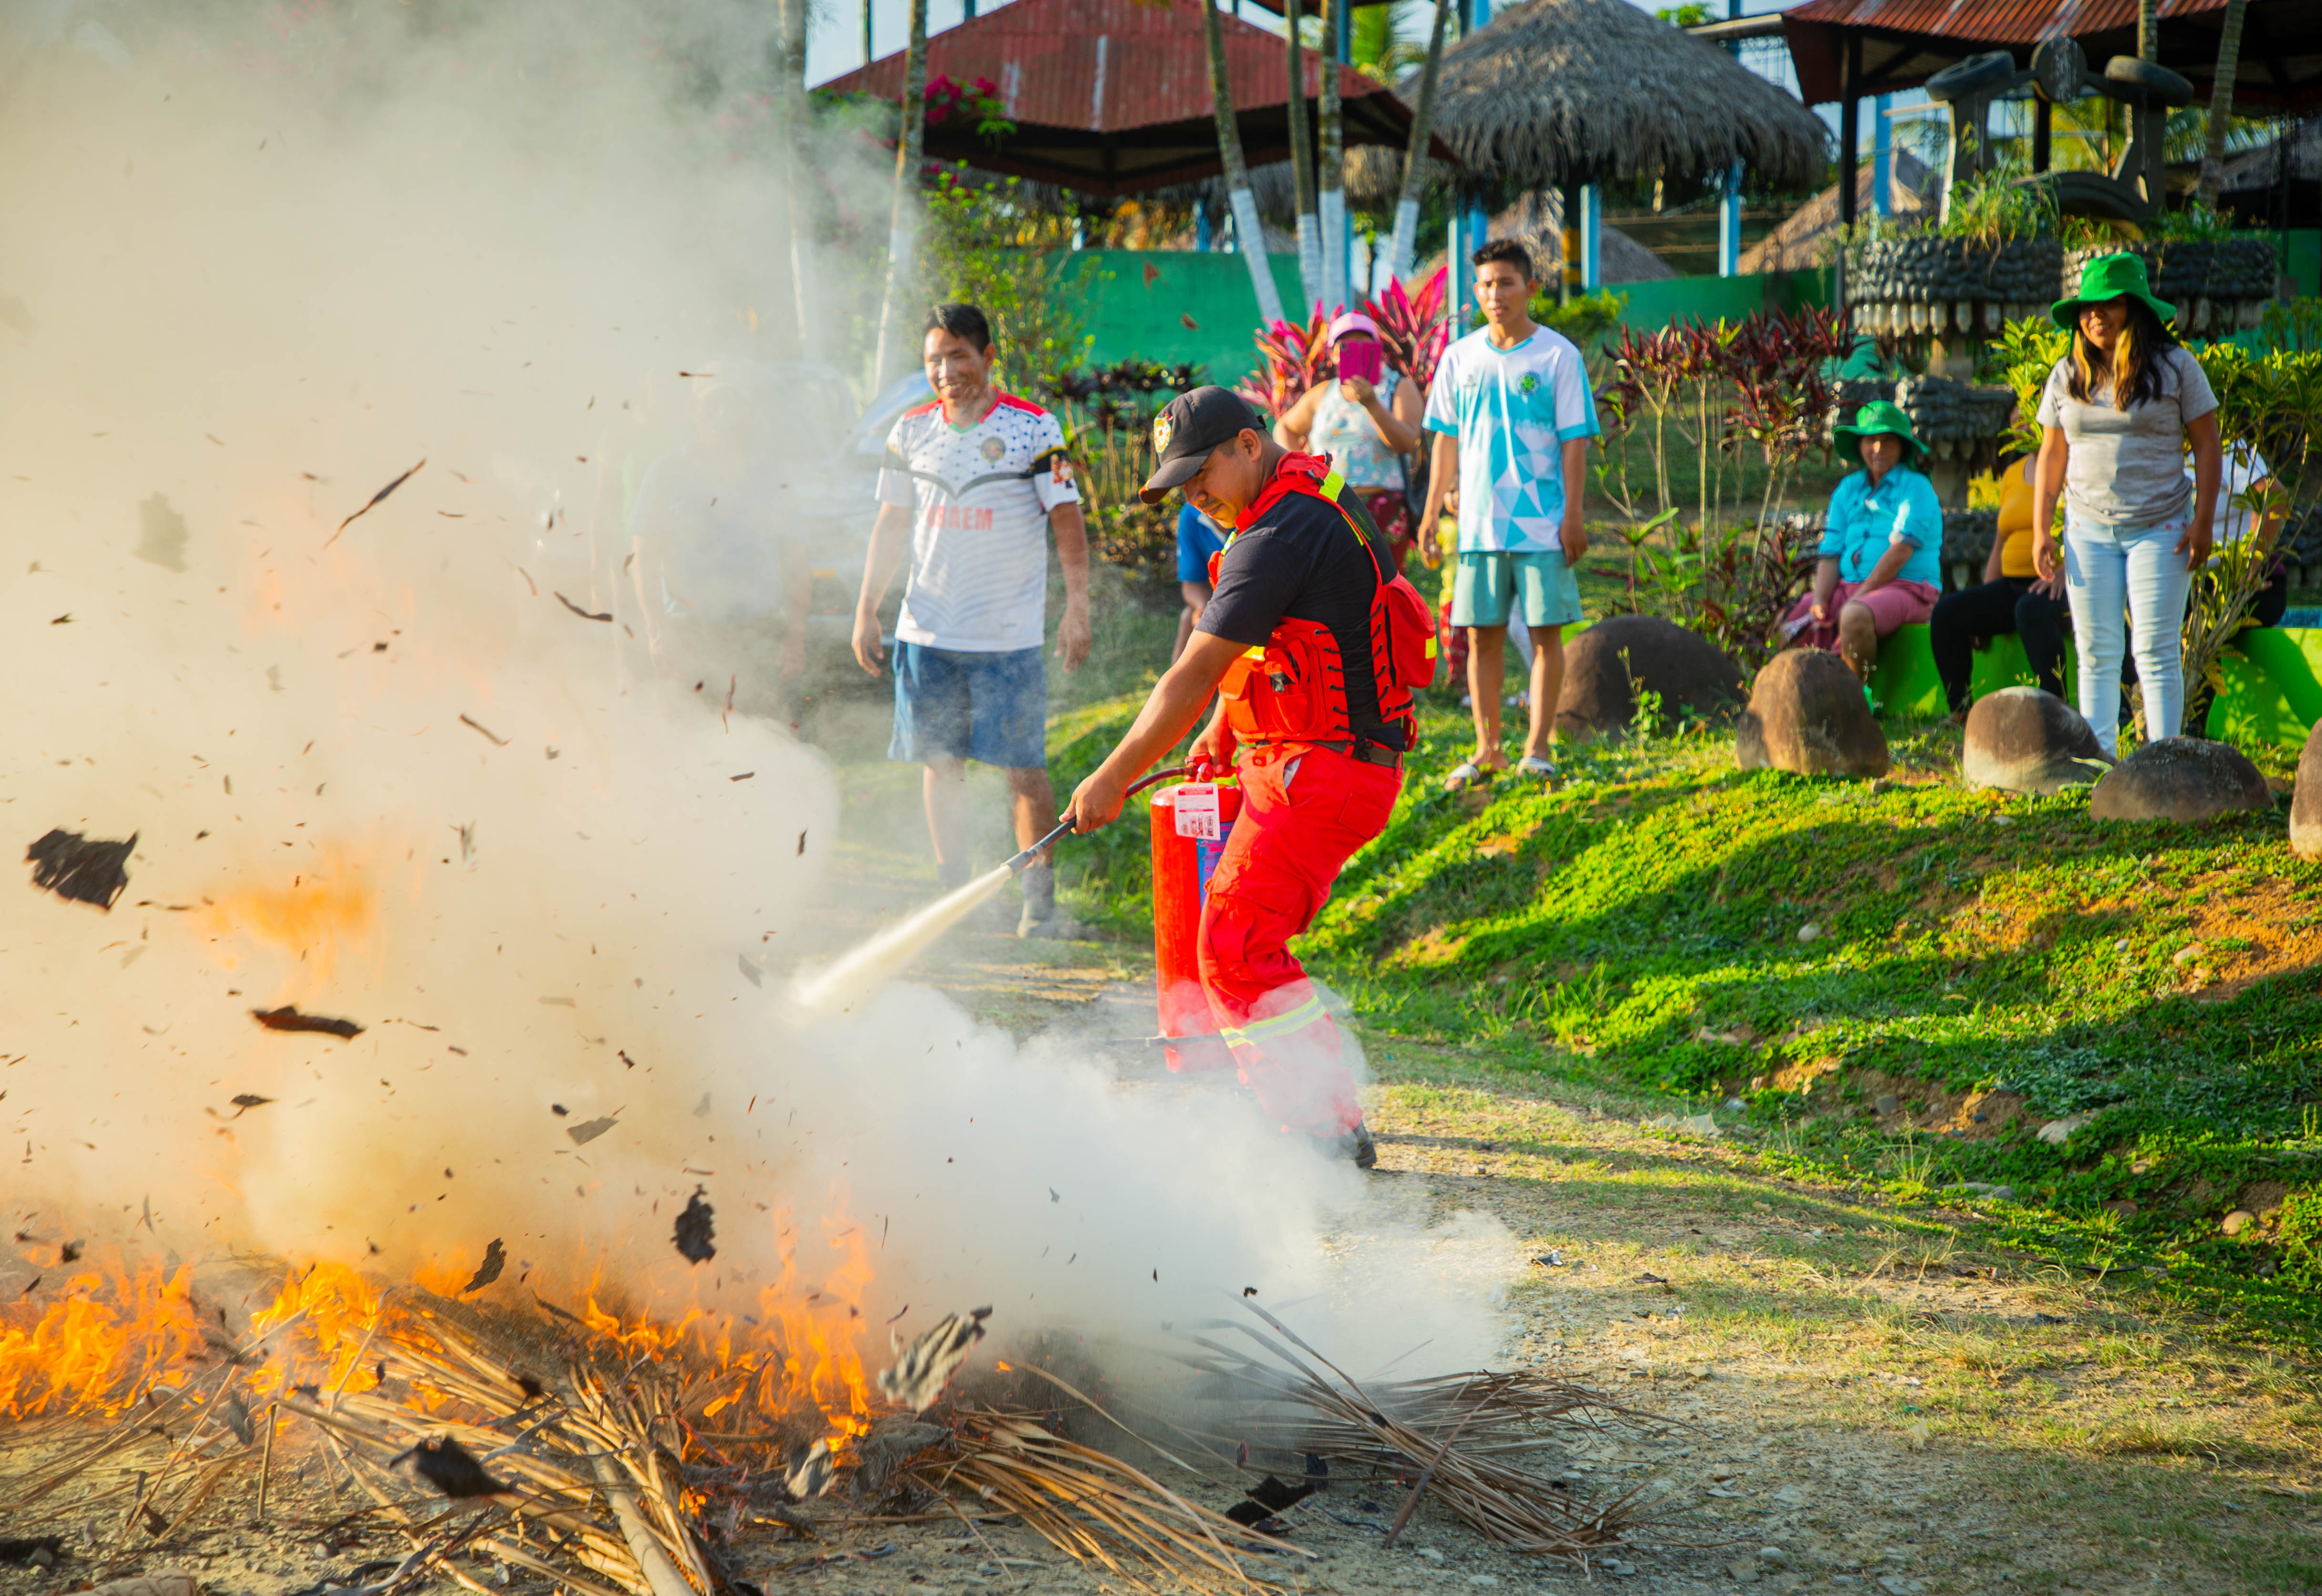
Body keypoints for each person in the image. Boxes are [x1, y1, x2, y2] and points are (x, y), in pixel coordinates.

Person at [1060, 387, 1435, 1168]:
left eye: (1201, 474)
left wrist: (1107, 776)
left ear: (1248, 443)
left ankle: (1320, 1131)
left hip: (1325, 771)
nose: (1193, 496)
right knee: (1241, 940)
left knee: (1232, 942)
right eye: (1180, 486)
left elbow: (1193, 671)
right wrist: (1223, 728)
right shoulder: (1290, 509)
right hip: (1303, 759)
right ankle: (1322, 1118)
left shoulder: (1278, 531)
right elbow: (1285, 646)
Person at [852, 303, 1093, 937]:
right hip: (925, 631)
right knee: (941, 767)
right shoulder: (907, 432)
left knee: (1024, 769)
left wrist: (1077, 605)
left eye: (958, 356)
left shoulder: (1036, 430)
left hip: (1006, 639)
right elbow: (890, 524)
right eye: (934, 358)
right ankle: (950, 899)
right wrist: (866, 606)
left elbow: (1066, 519)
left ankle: (1038, 904)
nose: (945, 370)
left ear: (988, 357)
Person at [1418, 239, 1598, 791]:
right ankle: (1488, 749)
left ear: (1530, 289)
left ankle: (1537, 749)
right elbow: (1444, 441)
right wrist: (1431, 514)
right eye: (1485, 285)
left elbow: (1574, 442)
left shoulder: (1557, 357)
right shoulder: (1459, 357)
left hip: (1543, 523)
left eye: (1505, 283)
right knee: (1481, 638)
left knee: (1546, 635)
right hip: (1475, 525)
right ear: (1475, 292)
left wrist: (1572, 516)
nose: (1494, 294)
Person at [2031, 253, 2222, 756]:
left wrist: (2202, 523)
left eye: (2109, 304)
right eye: (2087, 306)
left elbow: (2206, 443)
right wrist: (2040, 529)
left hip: (2160, 527)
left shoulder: (2175, 367)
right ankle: (2100, 764)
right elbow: (2052, 453)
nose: (2096, 315)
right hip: (2086, 530)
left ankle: (2165, 765)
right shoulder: (2065, 374)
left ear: (2134, 308)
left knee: (2154, 651)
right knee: (2095, 652)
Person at [627, 364, 814, 708]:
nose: (722, 413)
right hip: (689, 635)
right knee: (694, 748)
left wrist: (795, 635)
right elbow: (644, 559)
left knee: (766, 743)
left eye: (733, 403)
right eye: (713, 403)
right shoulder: (666, 473)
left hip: (760, 634)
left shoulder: (773, 476)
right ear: (695, 411)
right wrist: (658, 631)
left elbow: (796, 562)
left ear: (749, 413)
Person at [1781, 401, 1943, 683]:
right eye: (1871, 440)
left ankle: (1855, 702)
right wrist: (1820, 600)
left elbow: (1901, 550)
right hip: (1850, 588)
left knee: (1855, 615)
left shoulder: (1916, 487)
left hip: (1908, 589)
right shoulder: (1848, 489)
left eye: (1888, 441)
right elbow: (1831, 553)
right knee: (1791, 618)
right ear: (1860, 445)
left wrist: (1860, 595)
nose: (1878, 449)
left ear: (1903, 447)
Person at [1271, 311, 1425, 570]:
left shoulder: (1399, 388)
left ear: (1377, 350)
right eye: (1345, 345)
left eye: (1364, 344)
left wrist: (1372, 404)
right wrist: (1303, 470)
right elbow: (1285, 427)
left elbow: (1406, 443)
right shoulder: (1324, 394)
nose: (1354, 350)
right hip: (1328, 509)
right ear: (1332, 354)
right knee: (1333, 588)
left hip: (1382, 509)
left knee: (1382, 587)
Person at [1927, 442, 2070, 718]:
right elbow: (2001, 541)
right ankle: (1961, 713)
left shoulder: (2072, 467)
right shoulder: (2013, 474)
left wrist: (2066, 572)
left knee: (2030, 609)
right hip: (2013, 585)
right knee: (1948, 613)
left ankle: (2058, 717)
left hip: (2060, 586)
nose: (2021, 419)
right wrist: (1984, 602)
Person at [1172, 500, 1227, 661]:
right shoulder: (1190, 514)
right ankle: (1182, 684)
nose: (1196, 494)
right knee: (1189, 617)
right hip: (1217, 602)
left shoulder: (1257, 509)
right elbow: (1191, 583)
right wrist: (1203, 607)